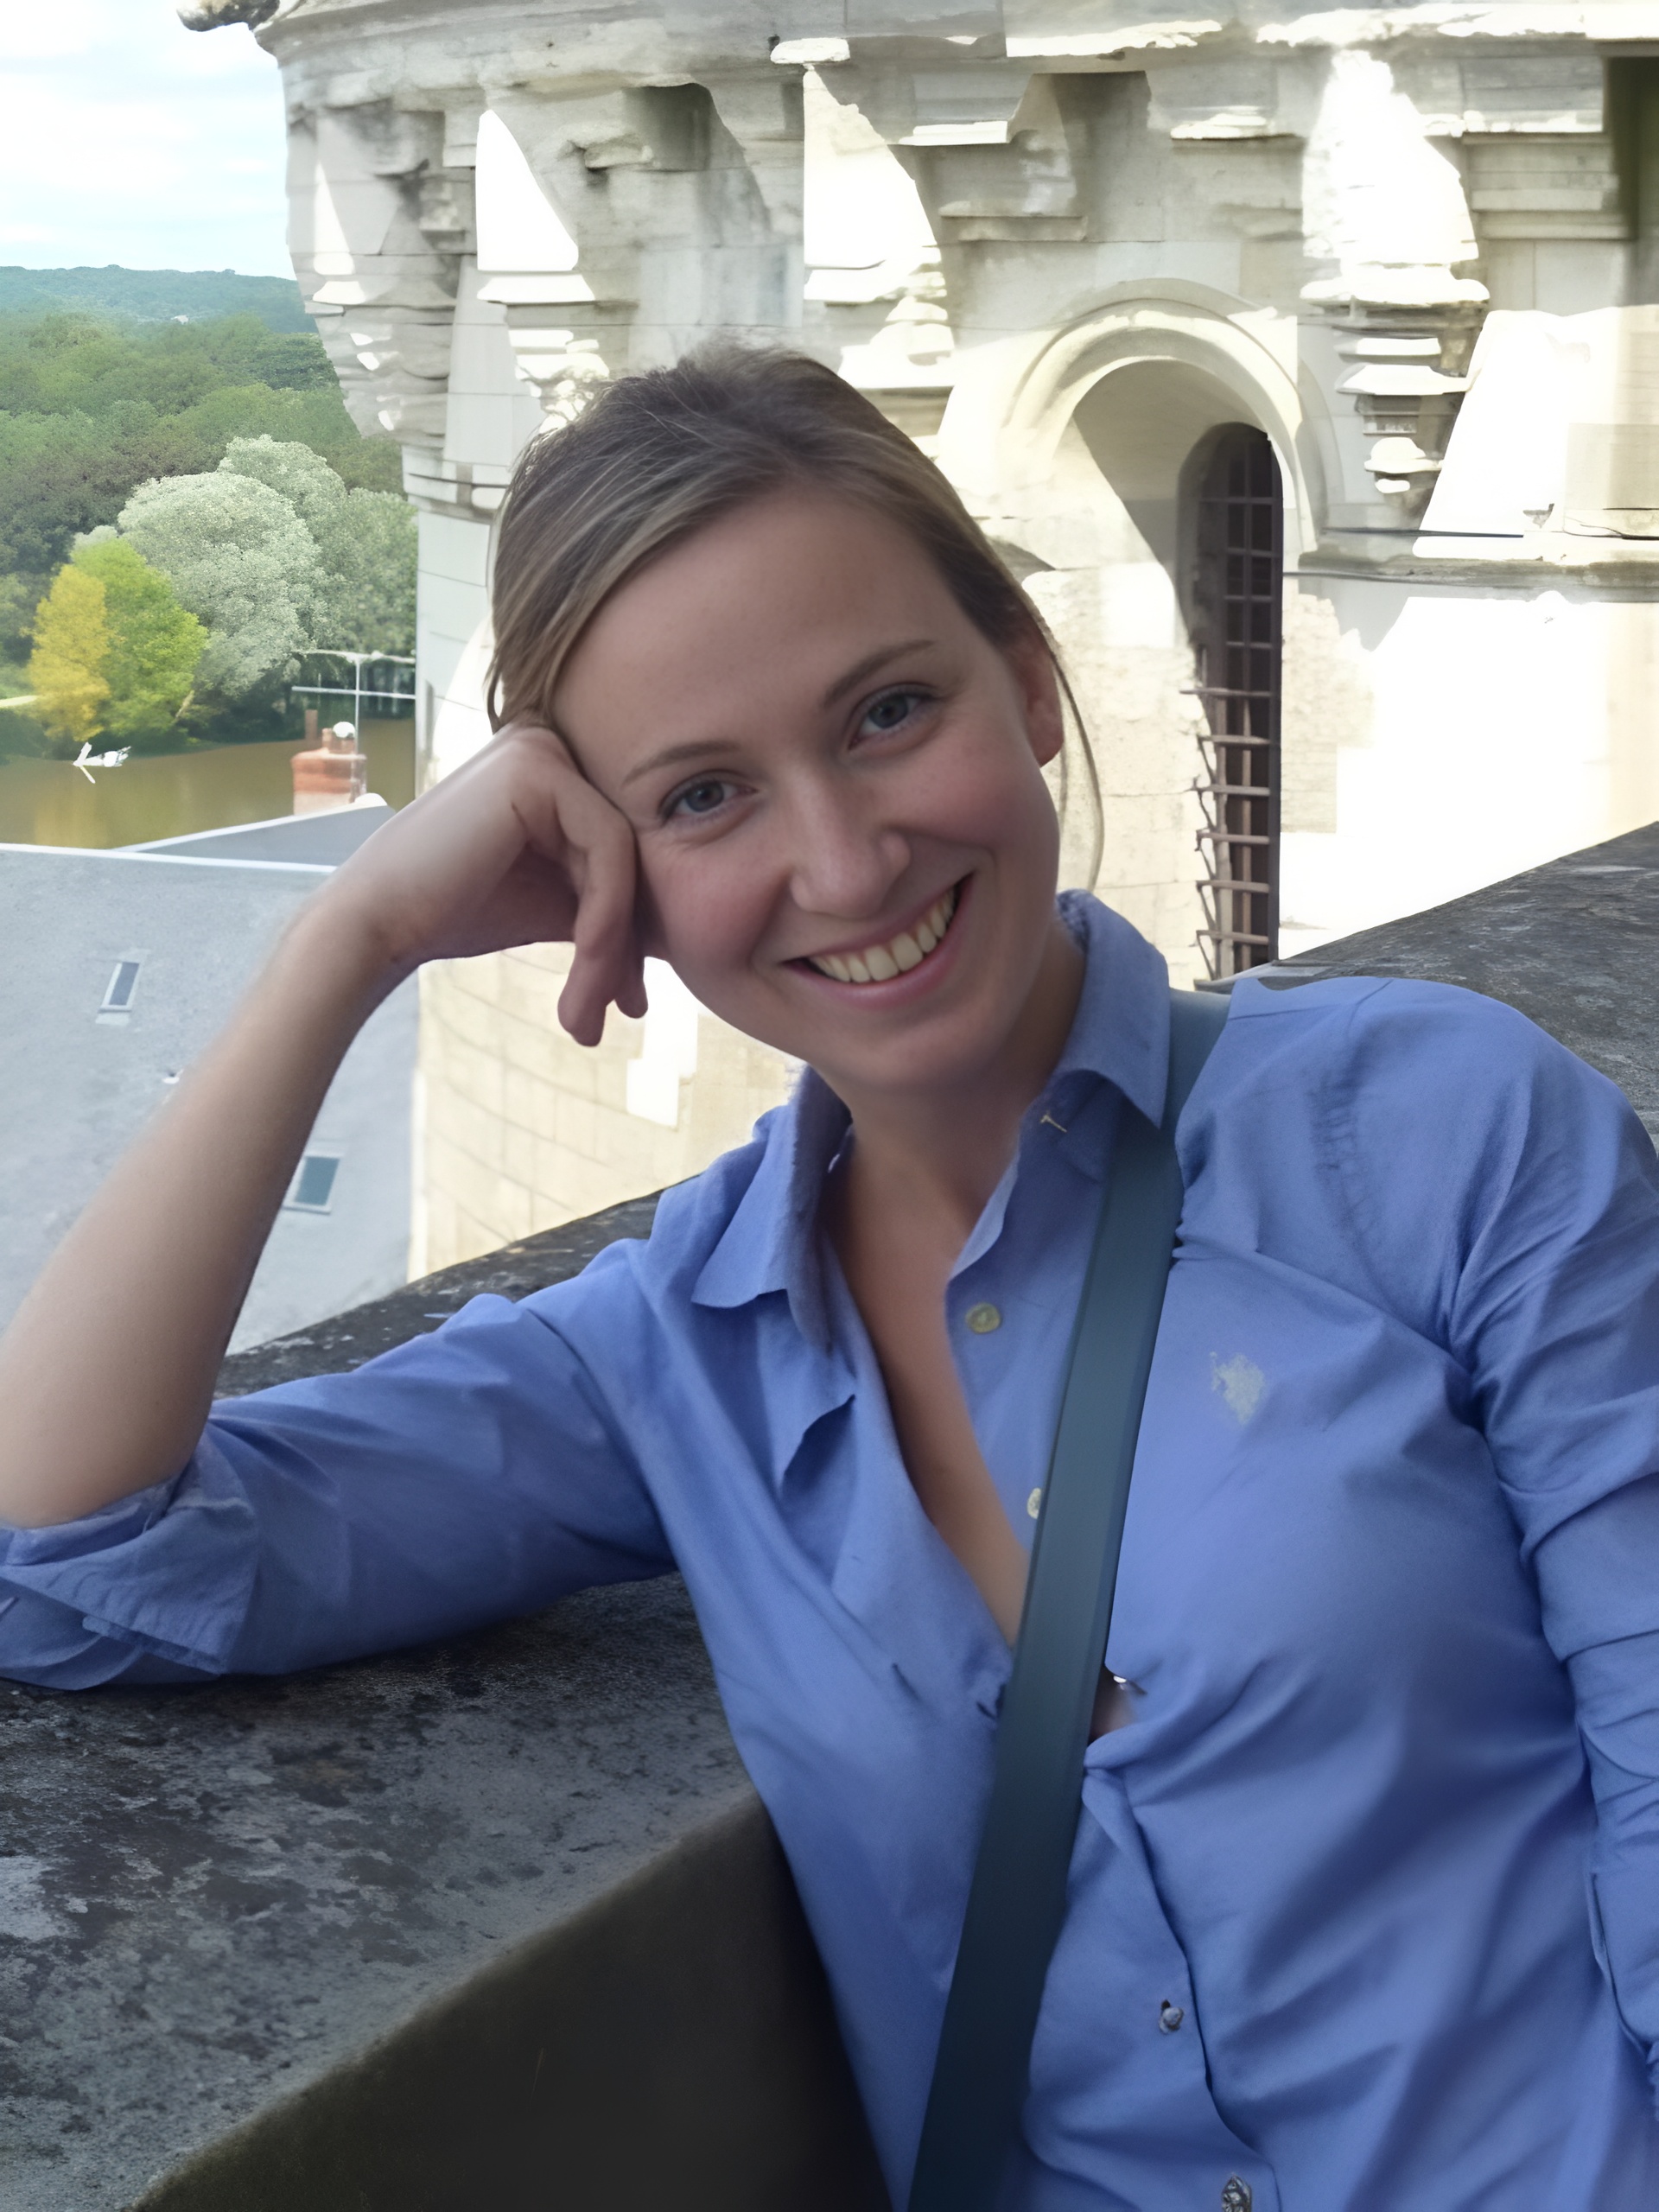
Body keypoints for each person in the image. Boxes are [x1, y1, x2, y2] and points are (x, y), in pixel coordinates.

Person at [2, 347, 1657, 2211]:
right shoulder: (673, 1355)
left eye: (887, 711)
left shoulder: (1433, 1132)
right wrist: (352, 934)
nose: (848, 862)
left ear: (1024, 676)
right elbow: (70, 1555)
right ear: (603, 867)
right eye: (705, 796)